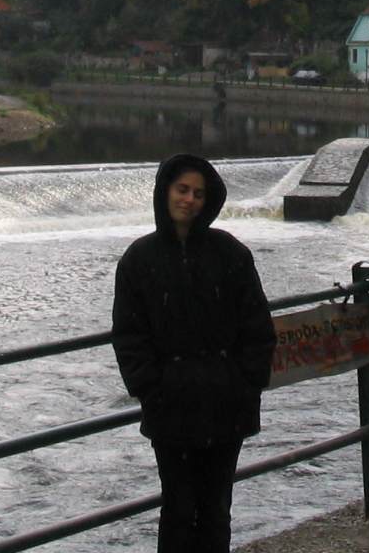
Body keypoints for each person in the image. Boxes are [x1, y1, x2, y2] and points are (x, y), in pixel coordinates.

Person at [111, 154, 275, 553]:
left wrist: (245, 382)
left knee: (216, 511)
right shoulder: (139, 260)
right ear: (164, 191)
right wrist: (152, 389)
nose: (189, 200)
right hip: (171, 410)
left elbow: (257, 326)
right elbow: (129, 336)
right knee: (178, 512)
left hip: (226, 406)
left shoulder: (230, 253)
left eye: (198, 194)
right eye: (182, 189)